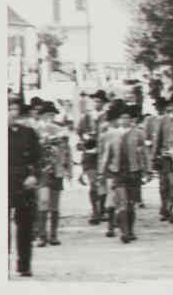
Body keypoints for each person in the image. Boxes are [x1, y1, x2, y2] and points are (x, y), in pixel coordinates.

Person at [100, 99, 148, 243]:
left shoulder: (138, 133)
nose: (124, 120)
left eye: (127, 117)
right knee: (121, 202)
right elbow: (106, 154)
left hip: (133, 171)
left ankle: (131, 230)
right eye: (122, 117)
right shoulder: (111, 134)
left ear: (131, 119)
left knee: (131, 204)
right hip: (117, 172)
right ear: (118, 119)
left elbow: (144, 153)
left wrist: (148, 170)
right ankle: (124, 232)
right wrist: (102, 173)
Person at [8, 95, 42, 277]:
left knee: (25, 225)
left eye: (15, 110)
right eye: (9, 109)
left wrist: (33, 176)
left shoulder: (28, 133)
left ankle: (24, 264)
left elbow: (38, 158)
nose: (12, 113)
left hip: (24, 183)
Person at [34, 101, 71, 246]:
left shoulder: (60, 130)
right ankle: (42, 235)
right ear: (41, 116)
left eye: (52, 115)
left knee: (54, 205)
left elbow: (66, 151)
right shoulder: (34, 131)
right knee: (43, 201)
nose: (50, 117)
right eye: (47, 115)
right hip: (42, 171)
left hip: (56, 170)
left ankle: (53, 235)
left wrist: (68, 169)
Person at [75, 90, 109, 225]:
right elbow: (79, 132)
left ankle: (102, 209)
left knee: (103, 183)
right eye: (95, 101)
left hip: (104, 153)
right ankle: (95, 210)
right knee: (93, 182)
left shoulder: (107, 116)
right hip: (89, 153)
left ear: (104, 103)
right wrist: (85, 138)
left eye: (100, 101)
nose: (97, 103)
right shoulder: (86, 116)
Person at [151, 93, 173, 222]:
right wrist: (154, 157)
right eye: (172, 105)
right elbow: (157, 139)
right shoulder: (162, 120)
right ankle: (165, 208)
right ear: (169, 106)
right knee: (164, 185)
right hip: (165, 158)